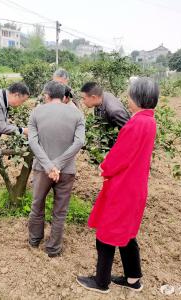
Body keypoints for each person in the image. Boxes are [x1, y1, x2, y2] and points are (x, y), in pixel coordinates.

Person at [76, 77, 159, 293]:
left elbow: (120, 156)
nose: (127, 99)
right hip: (135, 186)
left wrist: (104, 167)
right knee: (127, 233)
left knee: (107, 232)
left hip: (123, 187)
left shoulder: (136, 123)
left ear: (138, 98)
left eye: (130, 95)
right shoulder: (149, 121)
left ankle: (101, 282)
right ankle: (133, 279)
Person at [28, 80, 85, 257]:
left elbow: (32, 142)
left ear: (47, 95)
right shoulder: (77, 115)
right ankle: (53, 248)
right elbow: (79, 142)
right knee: (60, 211)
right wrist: (58, 164)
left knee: (37, 205)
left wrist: (48, 165)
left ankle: (35, 240)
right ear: (64, 96)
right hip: (66, 170)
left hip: (42, 169)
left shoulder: (36, 112)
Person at [0, 82, 30, 151]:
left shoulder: (3, 99)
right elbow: (2, 128)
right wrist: (23, 130)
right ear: (16, 95)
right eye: (22, 101)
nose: (21, 104)